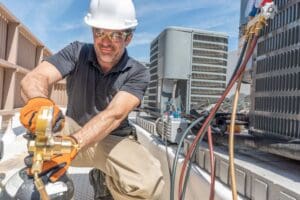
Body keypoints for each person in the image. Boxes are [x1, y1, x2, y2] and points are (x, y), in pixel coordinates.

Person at [19, 0, 165, 199]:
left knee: (149, 184)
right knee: (43, 123)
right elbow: (35, 78)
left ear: (128, 38)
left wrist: (74, 143)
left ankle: (106, 181)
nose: (105, 41)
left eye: (115, 35)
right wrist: (38, 102)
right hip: (74, 129)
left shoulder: (138, 73)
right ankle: (48, 182)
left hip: (112, 139)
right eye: (99, 32)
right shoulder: (76, 52)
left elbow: (115, 114)